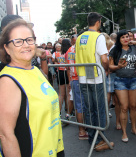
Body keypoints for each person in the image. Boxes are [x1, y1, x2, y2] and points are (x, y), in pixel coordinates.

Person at [0, 19, 64, 156]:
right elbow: (6, 135)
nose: (26, 45)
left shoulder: (35, 70)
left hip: (54, 148)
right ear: (6, 48)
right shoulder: (8, 80)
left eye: (29, 40)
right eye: (18, 41)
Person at [76, 12, 114, 151]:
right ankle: (100, 141)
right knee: (99, 110)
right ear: (98, 22)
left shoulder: (79, 37)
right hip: (96, 78)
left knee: (89, 110)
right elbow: (104, 59)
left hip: (82, 77)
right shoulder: (98, 37)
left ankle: (92, 138)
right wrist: (106, 69)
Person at [109, 29, 136, 143]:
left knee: (133, 106)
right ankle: (124, 132)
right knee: (124, 107)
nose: (126, 39)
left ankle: (134, 128)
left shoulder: (134, 48)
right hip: (120, 81)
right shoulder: (115, 51)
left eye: (127, 37)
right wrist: (118, 66)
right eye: (123, 37)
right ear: (119, 39)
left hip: (133, 80)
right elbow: (110, 67)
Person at [65, 34, 88, 140]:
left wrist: (70, 81)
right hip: (81, 79)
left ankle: (83, 129)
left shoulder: (69, 50)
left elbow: (68, 68)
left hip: (75, 80)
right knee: (81, 106)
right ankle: (82, 131)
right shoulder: (81, 49)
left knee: (80, 106)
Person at [53, 40, 70, 115]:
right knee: (68, 93)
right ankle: (68, 112)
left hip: (60, 72)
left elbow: (55, 61)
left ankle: (59, 112)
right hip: (67, 72)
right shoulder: (68, 52)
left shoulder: (57, 53)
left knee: (61, 94)